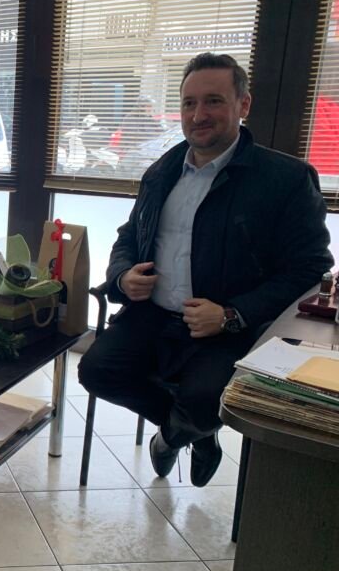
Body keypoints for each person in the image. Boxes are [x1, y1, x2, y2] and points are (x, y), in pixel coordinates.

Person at [78, 52, 333, 487]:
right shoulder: (161, 171)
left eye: (213, 101)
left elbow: (311, 269)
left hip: (227, 327)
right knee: (97, 371)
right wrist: (123, 276)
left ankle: (173, 437)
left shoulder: (286, 179)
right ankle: (194, 432)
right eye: (189, 103)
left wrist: (233, 314)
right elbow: (129, 236)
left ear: (243, 105)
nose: (199, 115)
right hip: (153, 315)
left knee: (208, 398)